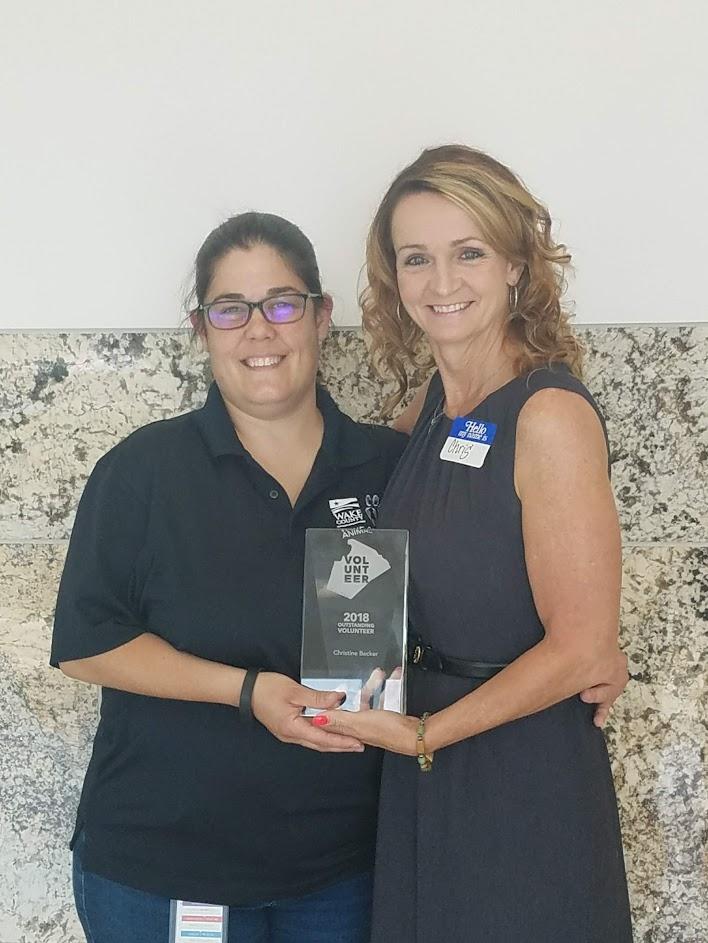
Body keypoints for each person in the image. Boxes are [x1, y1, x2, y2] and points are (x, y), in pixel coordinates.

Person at [50, 212, 408, 943]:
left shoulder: (386, 466)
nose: (260, 330)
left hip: (344, 870)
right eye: (230, 309)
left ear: (320, 317)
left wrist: (576, 648)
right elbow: (86, 642)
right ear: (202, 327)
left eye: (283, 303)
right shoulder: (143, 471)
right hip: (164, 871)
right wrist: (247, 690)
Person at [314, 145, 633, 941]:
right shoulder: (431, 403)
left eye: (469, 253)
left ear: (517, 264)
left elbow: (584, 645)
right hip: (424, 759)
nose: (442, 283)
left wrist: (425, 736)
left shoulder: (548, 415)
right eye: (416, 258)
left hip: (517, 768)